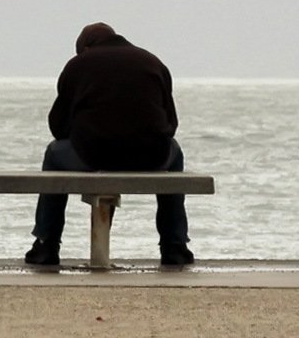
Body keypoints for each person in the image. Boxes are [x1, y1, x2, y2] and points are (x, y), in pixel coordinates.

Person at [25, 22, 193, 268]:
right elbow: (171, 122)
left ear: (85, 47)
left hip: (94, 155)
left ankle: (46, 244)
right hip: (150, 157)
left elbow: (58, 125)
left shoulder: (78, 65)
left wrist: (85, 135)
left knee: (54, 153)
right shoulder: (152, 63)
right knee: (175, 153)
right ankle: (174, 246)